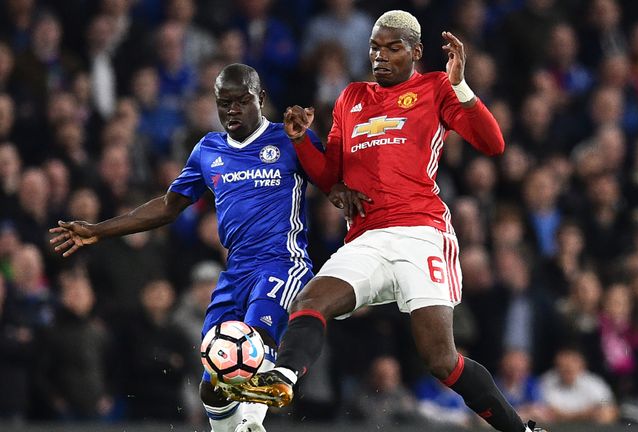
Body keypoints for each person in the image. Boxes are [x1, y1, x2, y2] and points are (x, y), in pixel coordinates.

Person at [227, 10, 545, 432]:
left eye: (393, 47)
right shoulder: (351, 98)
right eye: (375, 47)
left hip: (422, 233)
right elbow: (330, 175)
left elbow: (493, 143)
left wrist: (460, 85)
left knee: (440, 360)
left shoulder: (435, 88)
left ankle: (520, 430)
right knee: (310, 300)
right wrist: (302, 140)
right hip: (366, 236)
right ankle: (281, 380)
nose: (380, 56)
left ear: (416, 52)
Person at [49, 63, 337, 432]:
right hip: (235, 271)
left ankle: (252, 423)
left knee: (254, 340)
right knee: (214, 371)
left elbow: (331, 179)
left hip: (282, 261)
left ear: (261, 99)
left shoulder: (289, 138)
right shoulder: (208, 150)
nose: (232, 110)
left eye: (241, 101)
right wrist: (100, 230)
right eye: (224, 102)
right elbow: (170, 205)